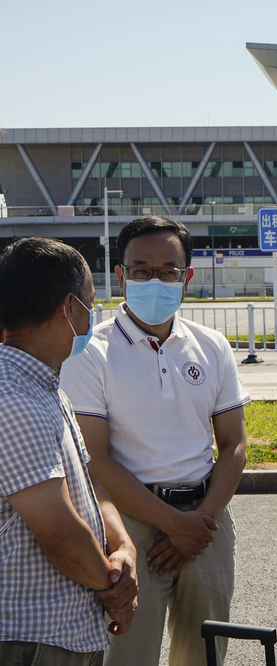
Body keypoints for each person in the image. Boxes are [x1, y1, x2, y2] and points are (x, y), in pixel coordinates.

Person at [61, 217, 251, 666]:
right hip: (129, 527)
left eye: (169, 271)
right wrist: (172, 523)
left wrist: (198, 522)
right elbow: (95, 459)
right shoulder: (90, 352)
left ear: (187, 277)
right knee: (127, 655)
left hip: (207, 526)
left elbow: (235, 445)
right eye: (141, 270)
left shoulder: (212, 346)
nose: (155, 280)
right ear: (120, 275)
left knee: (204, 655)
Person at [0, 237, 138, 664]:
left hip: (65, 632)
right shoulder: (13, 399)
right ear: (68, 308)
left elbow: (87, 481)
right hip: (32, 638)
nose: (93, 314)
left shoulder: (44, 385)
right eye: (91, 302)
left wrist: (124, 546)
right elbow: (58, 532)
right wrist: (114, 590)